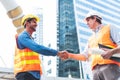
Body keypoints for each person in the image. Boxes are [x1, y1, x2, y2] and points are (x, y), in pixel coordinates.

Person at [63, 11, 120, 80]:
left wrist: (111, 52)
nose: (87, 23)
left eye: (88, 20)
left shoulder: (109, 28)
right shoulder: (91, 39)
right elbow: (84, 56)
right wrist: (69, 55)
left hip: (110, 67)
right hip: (95, 71)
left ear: (95, 18)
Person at [14, 14, 67, 80]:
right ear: (27, 23)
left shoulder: (30, 39)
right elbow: (38, 48)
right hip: (25, 74)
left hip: (32, 75)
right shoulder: (22, 37)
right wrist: (57, 53)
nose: (36, 24)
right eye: (34, 22)